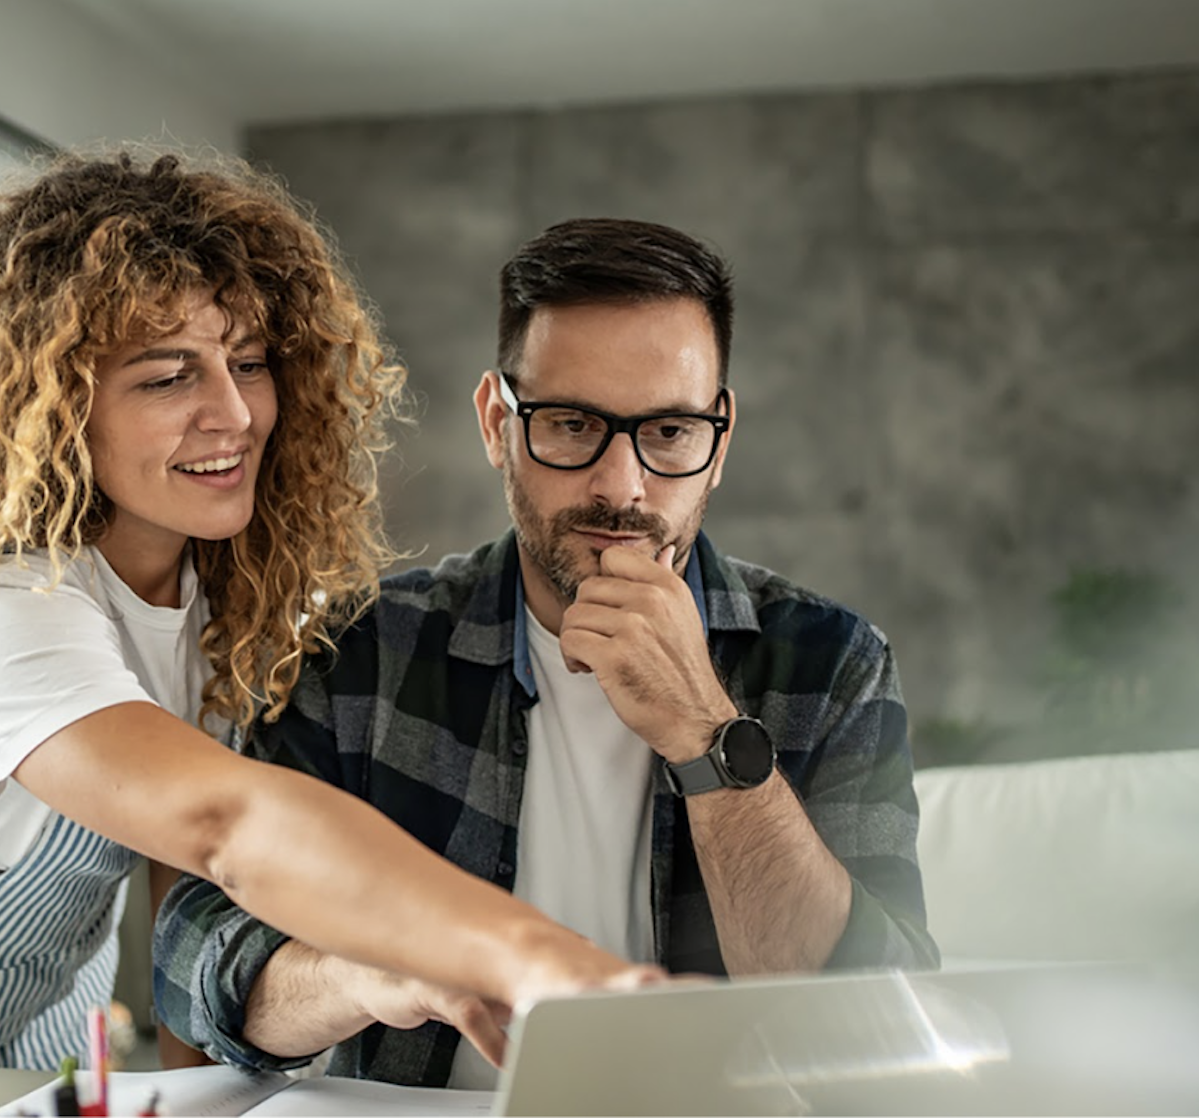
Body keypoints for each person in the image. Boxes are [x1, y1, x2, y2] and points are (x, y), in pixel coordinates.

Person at [0, 153, 660, 1071]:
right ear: (55, 411)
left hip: (48, 1023)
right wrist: (528, 953)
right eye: (167, 378)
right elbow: (227, 823)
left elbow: (189, 886)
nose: (236, 414)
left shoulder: (219, 596)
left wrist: (198, 1090)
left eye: (247, 362)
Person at [154, 217, 940, 1088]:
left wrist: (709, 734)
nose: (622, 486)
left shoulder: (831, 665)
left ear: (720, 439)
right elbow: (190, 958)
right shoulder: (364, 655)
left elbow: (881, 1024)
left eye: (671, 433)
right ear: (497, 423)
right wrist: (362, 973)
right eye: (571, 425)